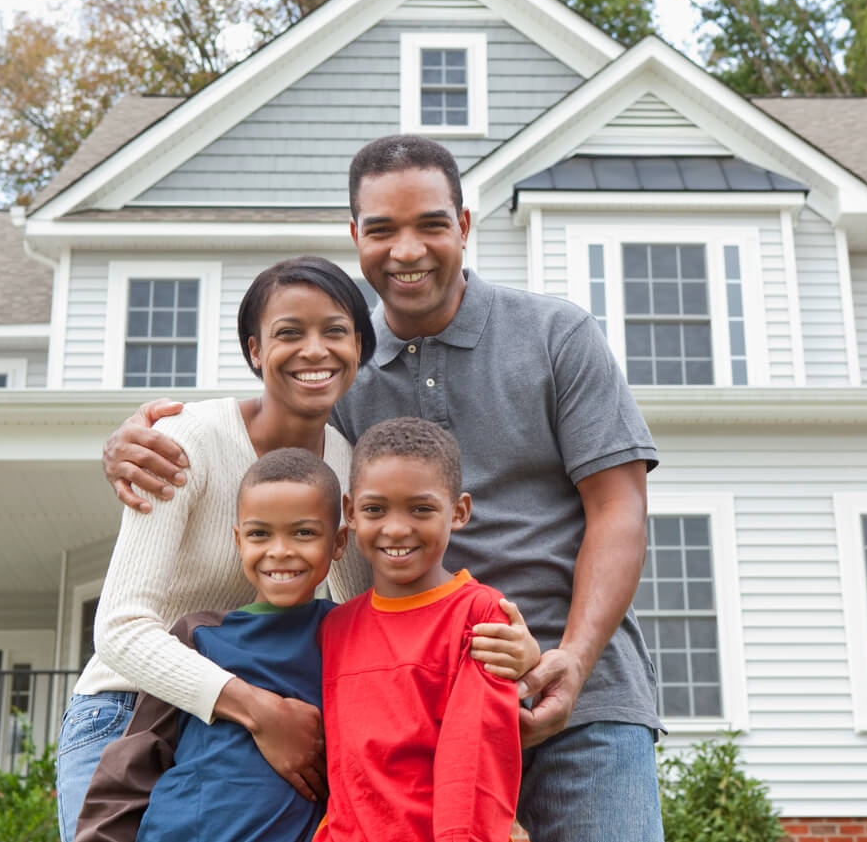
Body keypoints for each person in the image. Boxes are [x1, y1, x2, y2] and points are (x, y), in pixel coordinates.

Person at [103, 135, 664, 842]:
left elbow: (619, 509)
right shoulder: (341, 367)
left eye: (431, 223)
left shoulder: (557, 335)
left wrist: (573, 663)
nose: (407, 250)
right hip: (414, 719)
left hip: (579, 700)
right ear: (355, 238)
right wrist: (136, 438)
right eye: (382, 230)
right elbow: (266, 435)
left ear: (464, 225)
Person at [55, 256, 377, 842]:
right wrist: (258, 710)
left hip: (245, 732)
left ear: (359, 345)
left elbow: (363, 624)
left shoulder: (349, 467)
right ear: (255, 350)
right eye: (289, 333)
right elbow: (122, 629)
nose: (315, 350)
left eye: (334, 331)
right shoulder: (187, 441)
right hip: (127, 712)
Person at [76, 448, 346, 842]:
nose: (280, 550)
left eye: (304, 532)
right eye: (259, 534)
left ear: (338, 542)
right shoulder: (198, 635)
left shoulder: (349, 634)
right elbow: (135, 760)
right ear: (238, 541)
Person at [316, 417, 521, 842]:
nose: (396, 528)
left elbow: (474, 762)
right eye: (375, 509)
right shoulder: (335, 627)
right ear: (351, 513)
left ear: (459, 511)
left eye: (421, 509)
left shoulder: (479, 614)